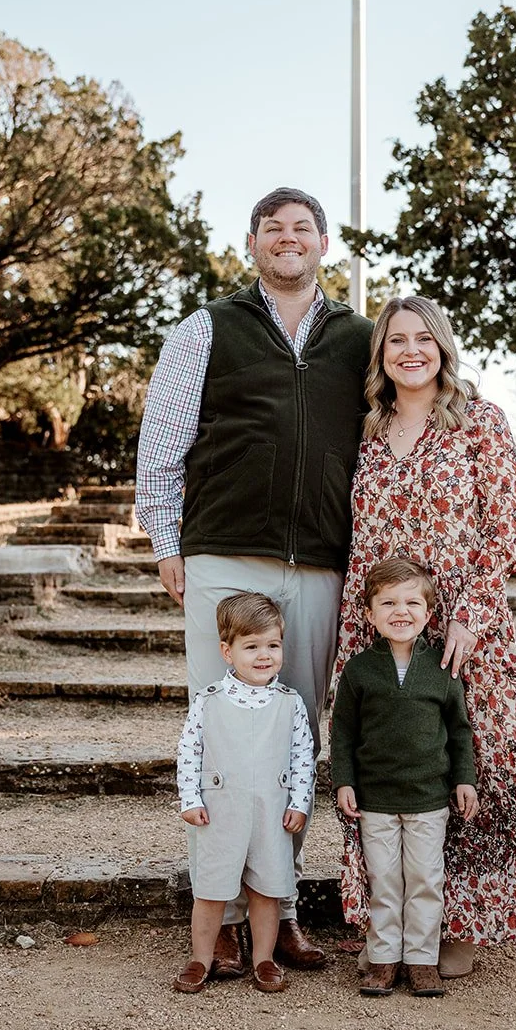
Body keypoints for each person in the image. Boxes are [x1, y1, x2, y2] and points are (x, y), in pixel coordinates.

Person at [332, 296, 516, 979]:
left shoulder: (479, 421)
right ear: (380, 355)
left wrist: (469, 616)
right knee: (384, 764)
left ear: (441, 346)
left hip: (462, 622)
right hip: (371, 621)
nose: (409, 351)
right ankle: (390, 926)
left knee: (472, 764)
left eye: (421, 339)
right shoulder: (364, 429)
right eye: (394, 340)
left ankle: (459, 923)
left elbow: (502, 533)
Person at [136, 186, 373, 977]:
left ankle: (280, 907)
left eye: (302, 228)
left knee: (289, 740)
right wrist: (168, 541)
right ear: (252, 245)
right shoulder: (206, 328)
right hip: (222, 555)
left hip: (319, 562)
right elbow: (161, 445)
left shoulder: (359, 338)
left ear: (323, 244)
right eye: (272, 229)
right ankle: (224, 914)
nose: (288, 238)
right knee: (223, 740)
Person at [330, 557, 478, 997]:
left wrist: (464, 780)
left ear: (429, 614)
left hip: (429, 800)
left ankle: (421, 960)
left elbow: (459, 730)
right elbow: (342, 731)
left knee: (425, 881)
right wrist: (344, 781)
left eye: (413, 602)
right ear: (370, 615)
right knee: (385, 883)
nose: (401, 611)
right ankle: (383, 958)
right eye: (388, 602)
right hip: (374, 800)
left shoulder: (442, 668)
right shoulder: (358, 671)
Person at [173, 593, 314, 993]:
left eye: (272, 645)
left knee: (267, 890)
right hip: (221, 809)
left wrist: (299, 802)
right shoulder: (209, 701)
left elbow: (303, 756)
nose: (264, 655)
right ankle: (201, 958)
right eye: (251, 647)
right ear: (227, 651)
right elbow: (189, 751)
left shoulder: (290, 703)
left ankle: (264, 959)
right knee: (212, 889)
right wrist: (191, 799)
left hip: (272, 810)